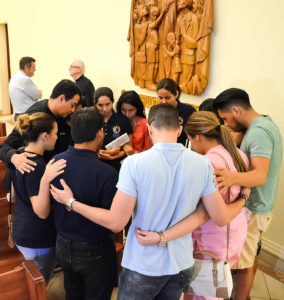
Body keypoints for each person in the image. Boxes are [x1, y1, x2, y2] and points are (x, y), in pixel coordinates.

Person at [50, 104, 248, 300]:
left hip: (144, 263)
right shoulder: (203, 163)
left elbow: (116, 222)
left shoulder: (134, 164)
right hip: (181, 263)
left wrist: (71, 202)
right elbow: (212, 215)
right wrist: (244, 197)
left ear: (149, 128)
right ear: (179, 130)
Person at [137, 111, 249, 300]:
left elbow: (203, 212)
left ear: (197, 137)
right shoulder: (237, 153)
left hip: (209, 239)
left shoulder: (209, 162)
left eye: (191, 141)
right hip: (233, 235)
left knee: (203, 290)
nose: (193, 148)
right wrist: (244, 197)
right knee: (209, 287)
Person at [213, 88, 283, 300]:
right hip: (254, 205)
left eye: (225, 119)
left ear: (236, 110)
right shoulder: (260, 125)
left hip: (255, 207)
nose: (226, 124)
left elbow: (260, 176)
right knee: (247, 257)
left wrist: (231, 178)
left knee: (243, 263)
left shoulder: (259, 132)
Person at [49, 108, 117, 299]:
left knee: (73, 293)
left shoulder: (56, 161)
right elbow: (114, 219)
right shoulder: (106, 173)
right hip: (95, 249)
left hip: (62, 243)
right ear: (100, 133)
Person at [10, 113, 66, 284]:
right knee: (37, 289)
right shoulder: (37, 167)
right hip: (36, 238)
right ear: (44, 136)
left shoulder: (19, 156)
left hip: (20, 231)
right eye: (55, 133)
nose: (57, 138)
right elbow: (41, 212)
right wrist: (46, 179)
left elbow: (11, 196)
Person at [0, 79, 81, 173]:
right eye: (72, 105)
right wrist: (14, 157)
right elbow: (4, 147)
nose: (73, 110)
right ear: (61, 98)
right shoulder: (36, 117)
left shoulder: (64, 114)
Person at [94, 87, 133, 172]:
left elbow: (129, 146)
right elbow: (85, 145)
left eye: (108, 104)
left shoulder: (123, 120)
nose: (104, 109)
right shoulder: (91, 119)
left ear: (112, 102)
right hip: (95, 165)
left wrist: (114, 156)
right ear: (95, 104)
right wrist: (100, 152)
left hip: (117, 167)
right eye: (100, 105)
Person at [157, 78, 195, 145]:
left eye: (167, 98)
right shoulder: (156, 111)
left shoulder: (188, 111)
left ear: (176, 94)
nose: (164, 102)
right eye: (160, 98)